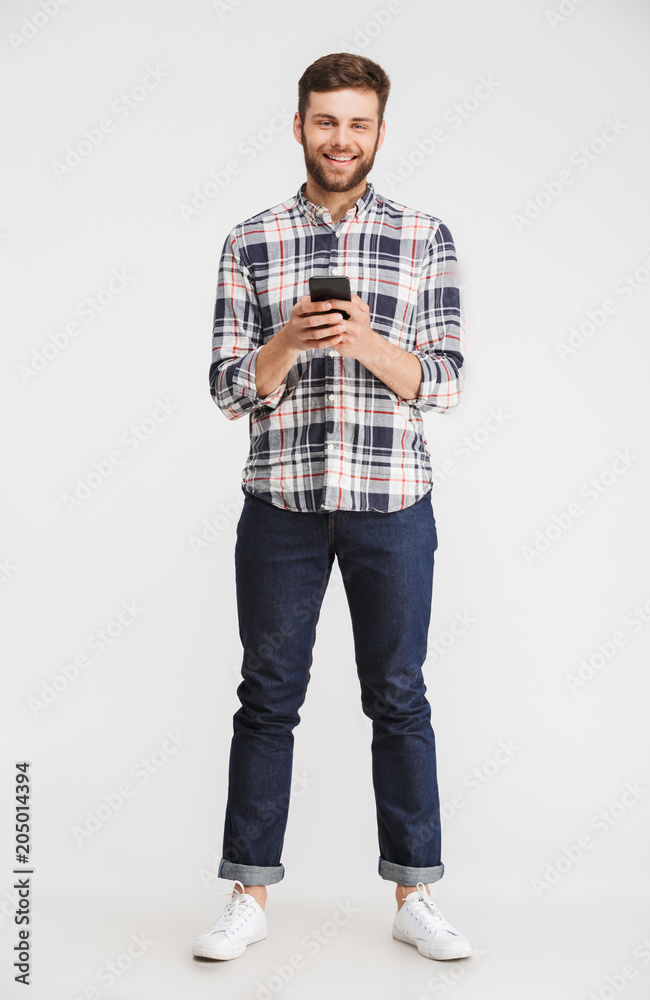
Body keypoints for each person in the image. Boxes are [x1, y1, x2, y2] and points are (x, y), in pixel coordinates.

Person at [193, 52, 472, 964]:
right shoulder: (251, 239)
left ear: (379, 131)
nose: (339, 138)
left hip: (393, 500)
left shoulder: (426, 236)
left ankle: (415, 895)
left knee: (399, 697)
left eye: (357, 122)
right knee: (266, 698)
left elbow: (444, 381)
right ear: (299, 126)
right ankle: (247, 895)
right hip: (281, 503)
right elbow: (230, 389)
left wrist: (365, 342)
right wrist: (285, 340)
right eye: (325, 120)